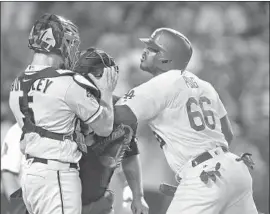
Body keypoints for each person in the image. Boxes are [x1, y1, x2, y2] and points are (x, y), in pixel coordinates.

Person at [114, 28, 258, 214]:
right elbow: (227, 135)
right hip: (234, 169)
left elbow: (116, 117)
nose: (145, 52)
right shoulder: (204, 85)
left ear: (167, 57)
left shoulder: (162, 83)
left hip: (205, 175)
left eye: (152, 49)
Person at [9, 14, 117, 214]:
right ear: (57, 42)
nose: (71, 48)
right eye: (69, 42)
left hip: (31, 174)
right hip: (56, 174)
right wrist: (107, 94)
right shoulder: (67, 83)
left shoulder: (17, 83)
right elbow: (104, 128)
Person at [73, 47, 149, 214]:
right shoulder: (67, 107)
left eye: (105, 73)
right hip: (63, 198)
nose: (103, 79)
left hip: (98, 200)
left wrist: (138, 196)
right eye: (97, 74)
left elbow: (129, 156)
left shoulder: (123, 112)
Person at [1, 123, 27, 214]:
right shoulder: (18, 129)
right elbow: (8, 174)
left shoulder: (66, 126)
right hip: (28, 205)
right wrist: (20, 209)